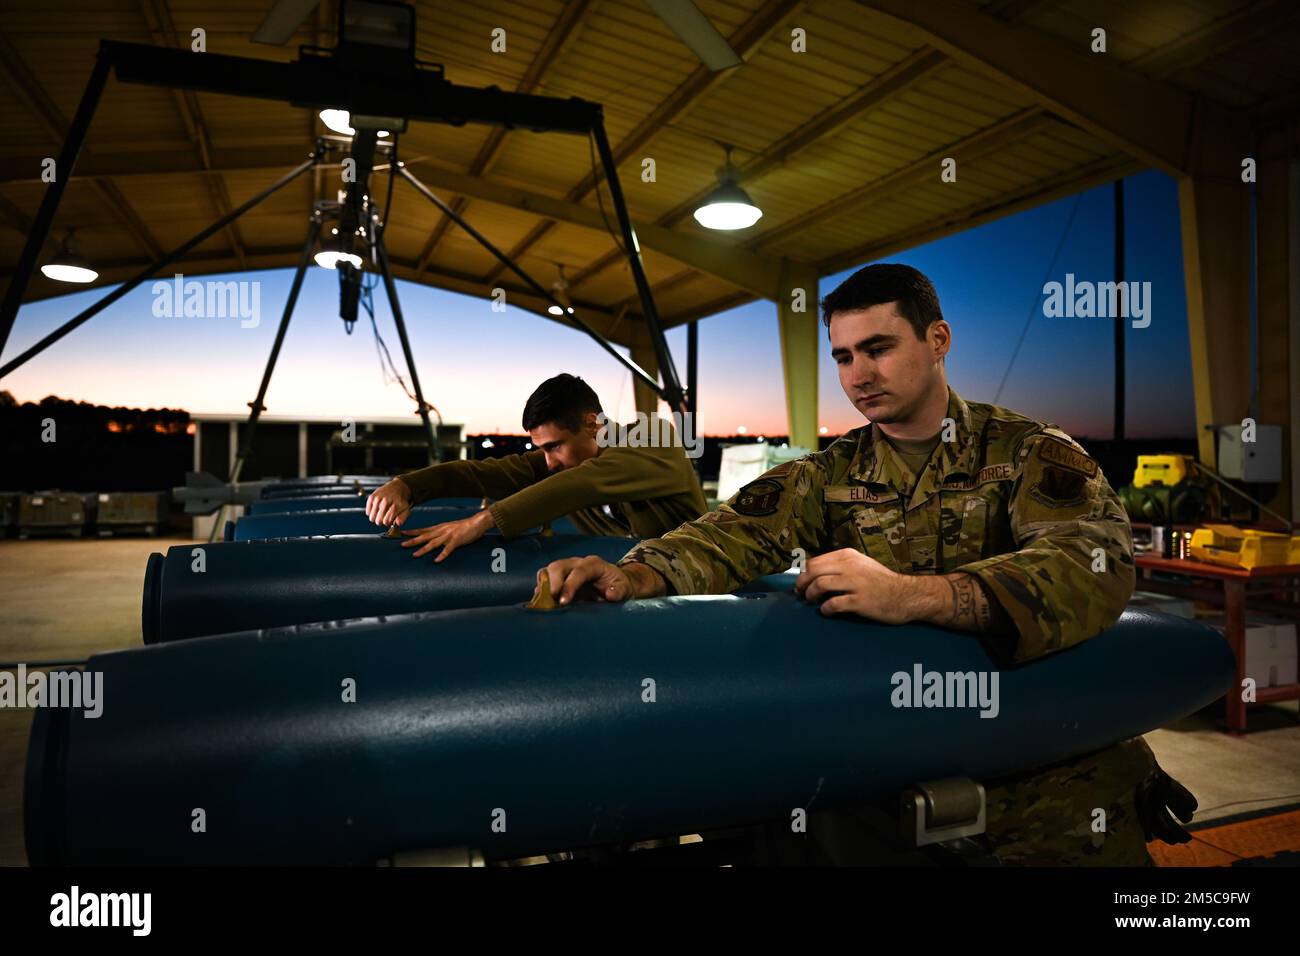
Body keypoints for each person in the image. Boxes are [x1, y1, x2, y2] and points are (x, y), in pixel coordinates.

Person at [536, 263, 1191, 866]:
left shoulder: (1029, 453)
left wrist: (913, 595)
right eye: (843, 356)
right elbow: (729, 535)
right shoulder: (830, 475)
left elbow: (1090, 564)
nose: (858, 375)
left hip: (1054, 797)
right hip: (898, 783)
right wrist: (634, 573)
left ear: (937, 340)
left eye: (878, 348)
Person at [365, 373, 707, 561]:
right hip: (635, 590)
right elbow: (490, 472)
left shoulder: (654, 439)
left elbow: (585, 483)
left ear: (591, 424)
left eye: (554, 447)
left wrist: (482, 521)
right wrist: (408, 486)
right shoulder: (566, 463)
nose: (548, 461)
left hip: (708, 589)